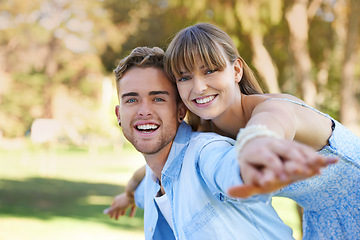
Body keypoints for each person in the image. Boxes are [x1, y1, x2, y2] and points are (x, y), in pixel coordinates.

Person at [108, 23, 360, 239]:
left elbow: (270, 128)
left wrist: (255, 147)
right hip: (323, 220)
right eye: (184, 77)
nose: (199, 87)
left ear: (236, 70)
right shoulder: (206, 128)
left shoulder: (274, 108)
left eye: (210, 71)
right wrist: (129, 194)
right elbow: (161, 166)